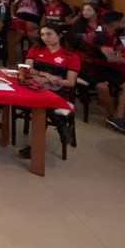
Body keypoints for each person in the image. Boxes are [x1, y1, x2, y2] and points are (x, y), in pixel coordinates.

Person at [17, 25, 80, 158]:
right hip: (34, 86)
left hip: (57, 90)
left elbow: (70, 82)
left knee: (43, 105)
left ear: (59, 36)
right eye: (43, 34)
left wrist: (52, 81)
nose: (46, 37)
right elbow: (26, 69)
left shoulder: (70, 56)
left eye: (49, 34)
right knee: (40, 101)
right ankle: (61, 127)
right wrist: (45, 75)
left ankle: (35, 147)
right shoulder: (36, 50)